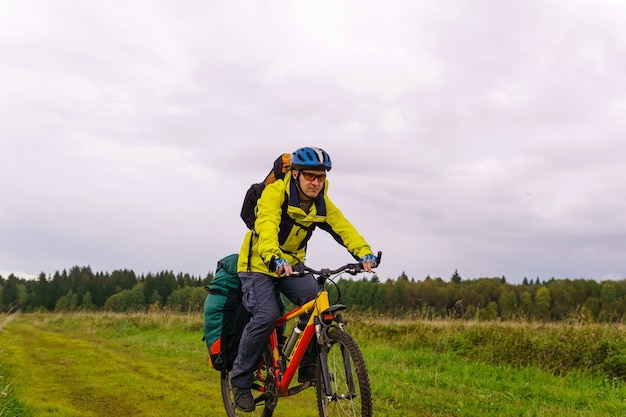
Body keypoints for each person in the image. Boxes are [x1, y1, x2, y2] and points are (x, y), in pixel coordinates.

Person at [230, 146, 377, 412]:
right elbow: (266, 228)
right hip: (259, 264)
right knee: (266, 314)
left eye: (321, 177)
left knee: (317, 303)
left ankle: (309, 367)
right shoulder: (275, 194)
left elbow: (343, 227)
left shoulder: (321, 203)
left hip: (293, 266)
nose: (316, 182)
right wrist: (275, 257)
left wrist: (364, 252)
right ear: (295, 174)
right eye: (310, 176)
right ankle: (240, 380)